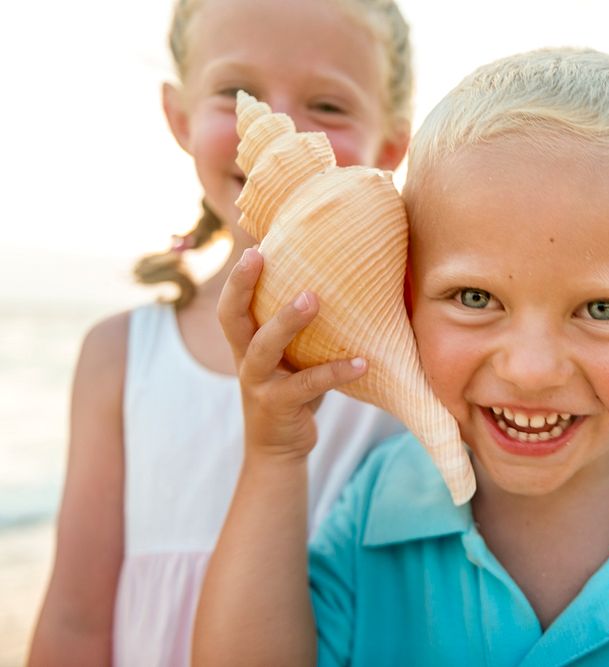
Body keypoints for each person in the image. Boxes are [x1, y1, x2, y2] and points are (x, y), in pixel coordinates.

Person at [193, 47, 609, 665]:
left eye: (602, 309)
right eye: (475, 296)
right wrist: (274, 455)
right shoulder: (378, 509)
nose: (532, 368)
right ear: (404, 298)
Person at [28, 1, 410, 665]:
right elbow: (73, 617)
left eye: (328, 105)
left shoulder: (412, 348)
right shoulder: (121, 356)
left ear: (391, 145)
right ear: (179, 118)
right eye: (239, 95)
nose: (283, 128)